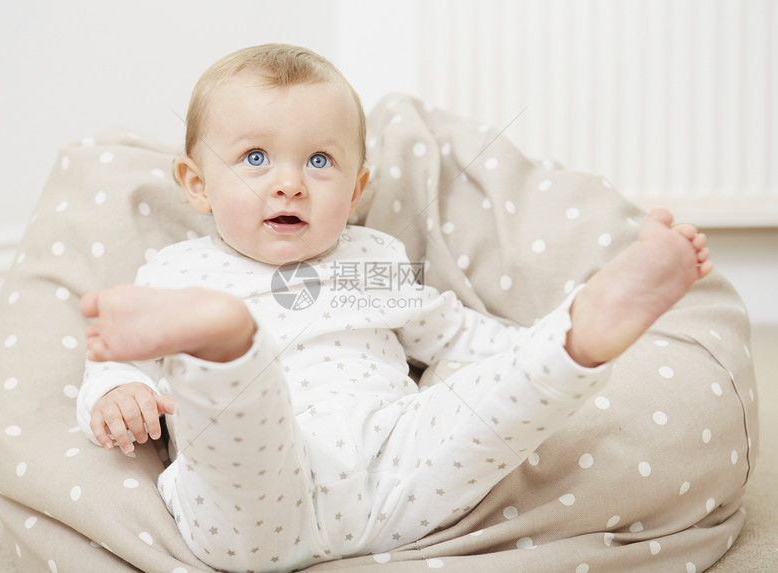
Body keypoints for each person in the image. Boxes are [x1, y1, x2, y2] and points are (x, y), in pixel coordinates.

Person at [76, 44, 713, 572]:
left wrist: (522, 346)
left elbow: (449, 333)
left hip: (392, 469)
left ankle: (575, 339)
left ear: (356, 190)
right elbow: (115, 365)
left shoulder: (370, 258)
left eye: (319, 160)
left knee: (478, 418)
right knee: (234, 427)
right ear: (197, 184)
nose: (289, 181)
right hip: (254, 508)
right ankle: (227, 345)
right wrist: (117, 391)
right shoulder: (177, 273)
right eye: (255, 158)